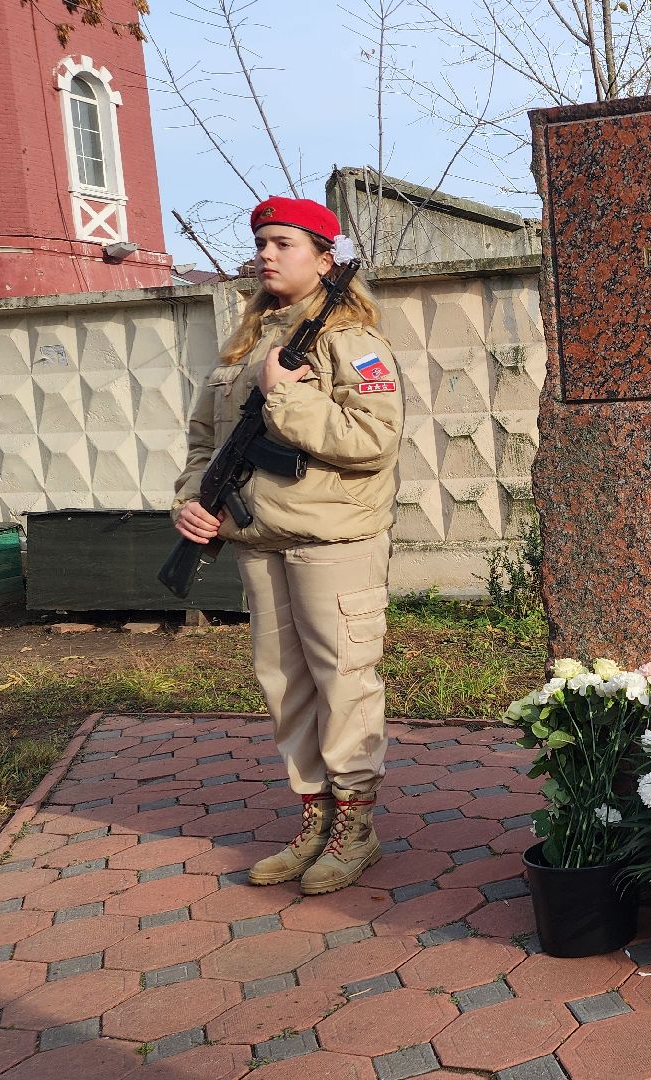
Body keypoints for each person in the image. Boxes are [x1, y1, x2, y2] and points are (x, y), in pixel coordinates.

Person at [172, 197, 404, 895]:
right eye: (262, 243)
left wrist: (287, 397)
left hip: (333, 540)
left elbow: (374, 440)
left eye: (284, 243)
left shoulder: (350, 342)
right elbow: (205, 442)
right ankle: (315, 819)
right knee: (284, 685)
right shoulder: (246, 345)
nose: (267, 254)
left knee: (344, 681)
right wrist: (192, 500)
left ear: (326, 260)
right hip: (258, 539)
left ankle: (356, 829)